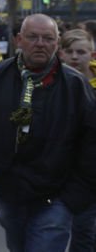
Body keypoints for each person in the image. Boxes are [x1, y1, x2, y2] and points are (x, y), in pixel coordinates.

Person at [0, 14, 96, 252]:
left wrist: (73, 197)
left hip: (57, 197)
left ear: (56, 42)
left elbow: (91, 143)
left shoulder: (75, 86)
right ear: (19, 40)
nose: (40, 43)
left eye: (47, 38)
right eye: (33, 37)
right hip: (10, 193)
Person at [61, 29, 96, 251]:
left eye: (81, 52)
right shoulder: (51, 84)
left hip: (91, 172)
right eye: (69, 51)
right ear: (60, 53)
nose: (75, 57)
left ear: (92, 55)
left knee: (85, 234)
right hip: (64, 172)